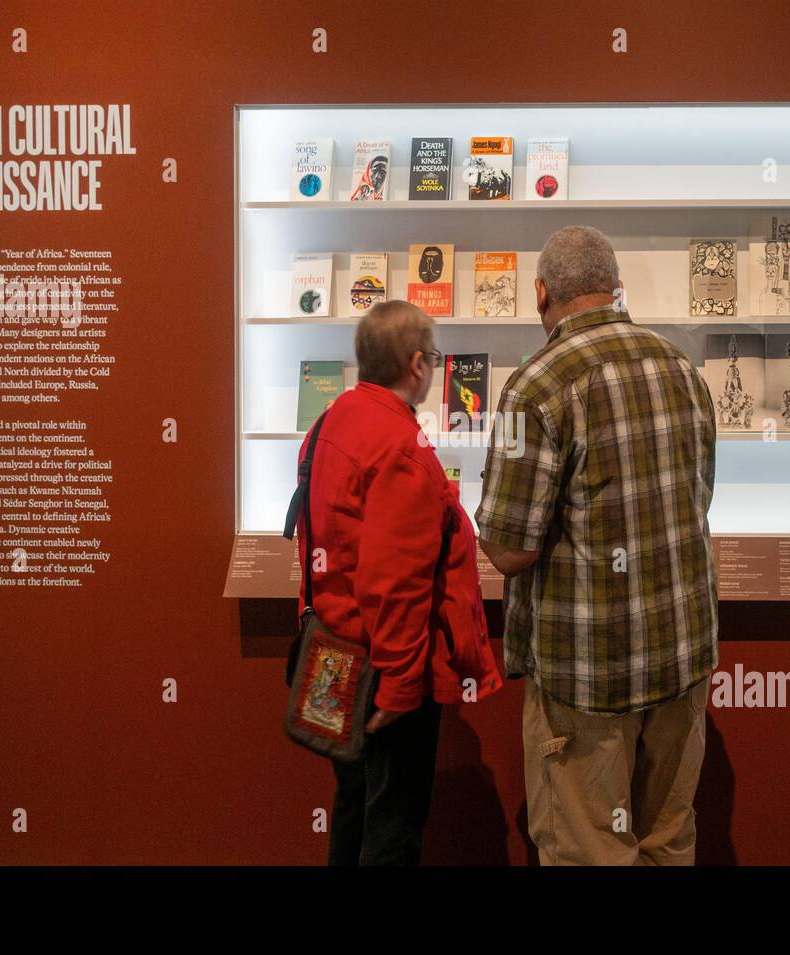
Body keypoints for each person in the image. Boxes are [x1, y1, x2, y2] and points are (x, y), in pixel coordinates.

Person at [476, 225, 718, 866]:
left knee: (589, 852)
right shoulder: (683, 369)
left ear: (539, 295)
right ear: (616, 290)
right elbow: (698, 499)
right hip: (681, 661)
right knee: (669, 843)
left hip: (589, 675)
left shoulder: (535, 386)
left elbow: (508, 548)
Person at [293, 299, 502, 866]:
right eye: (432, 358)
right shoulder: (401, 448)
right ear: (416, 364)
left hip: (339, 652)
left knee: (354, 806)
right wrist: (401, 687)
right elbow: (397, 582)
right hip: (384, 670)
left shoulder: (332, 419)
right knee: (392, 830)